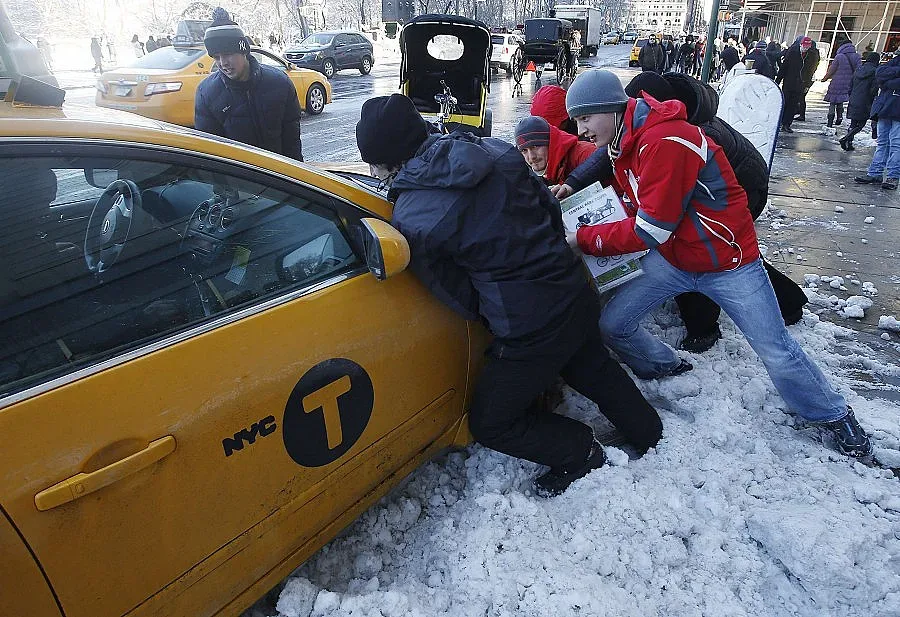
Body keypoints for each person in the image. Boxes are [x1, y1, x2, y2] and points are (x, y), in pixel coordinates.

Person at [355, 93, 663, 497]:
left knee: (492, 422)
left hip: (528, 325)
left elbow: (457, 294)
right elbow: (549, 212)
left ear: (387, 162)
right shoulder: (495, 150)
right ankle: (649, 432)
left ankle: (579, 451)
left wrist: (497, 312)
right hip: (571, 288)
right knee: (589, 363)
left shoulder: (413, 216)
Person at [560, 69, 872, 457]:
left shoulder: (666, 140)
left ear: (611, 109)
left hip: (729, 263)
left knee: (776, 349)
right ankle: (665, 366)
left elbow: (650, 230)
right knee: (614, 324)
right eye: (576, 120)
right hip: (676, 259)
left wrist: (583, 239)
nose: (581, 129)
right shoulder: (623, 142)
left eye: (585, 118)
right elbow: (639, 204)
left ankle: (834, 416)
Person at [554, 70, 808, 351]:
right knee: (690, 246)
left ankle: (708, 327)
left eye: (585, 119)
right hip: (709, 198)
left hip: (744, 185)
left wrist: (588, 237)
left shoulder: (671, 136)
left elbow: (656, 227)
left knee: (709, 249)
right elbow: (612, 152)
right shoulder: (644, 129)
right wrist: (573, 183)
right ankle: (781, 303)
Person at [195, 10, 303, 161]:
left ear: (243, 51)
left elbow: (292, 141)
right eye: (216, 57)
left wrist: (296, 177)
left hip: (279, 177)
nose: (223, 63)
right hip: (241, 182)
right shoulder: (207, 93)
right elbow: (211, 154)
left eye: (228, 54)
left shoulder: (279, 83)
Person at [854, 52, 900, 189]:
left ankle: (893, 176)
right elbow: (880, 73)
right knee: (882, 142)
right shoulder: (896, 60)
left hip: (896, 110)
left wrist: (889, 80)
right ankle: (875, 172)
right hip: (885, 108)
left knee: (896, 144)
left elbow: (886, 79)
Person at [515, 115, 595, 185]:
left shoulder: (586, 154)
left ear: (550, 143)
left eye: (536, 147)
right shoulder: (526, 175)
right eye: (524, 151)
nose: (531, 157)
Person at [776, 36, 818, 132]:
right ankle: (780, 122)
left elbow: (810, 71)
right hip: (789, 82)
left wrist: (807, 85)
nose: (805, 48)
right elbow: (784, 67)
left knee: (793, 105)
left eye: (807, 47)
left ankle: (787, 124)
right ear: (801, 44)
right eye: (804, 46)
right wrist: (778, 81)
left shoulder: (811, 55)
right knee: (784, 103)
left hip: (800, 84)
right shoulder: (793, 52)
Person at [841, 52, 881, 150]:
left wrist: (851, 95)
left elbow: (850, 85)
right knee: (861, 124)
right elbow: (873, 89)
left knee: (853, 123)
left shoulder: (858, 69)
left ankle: (849, 143)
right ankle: (846, 139)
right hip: (866, 100)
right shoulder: (875, 72)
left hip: (854, 98)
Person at [822, 41, 861, 127]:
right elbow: (859, 70)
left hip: (836, 82)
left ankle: (830, 122)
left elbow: (831, 70)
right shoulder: (857, 56)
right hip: (849, 82)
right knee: (840, 101)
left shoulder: (839, 57)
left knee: (832, 102)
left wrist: (824, 79)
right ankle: (839, 117)